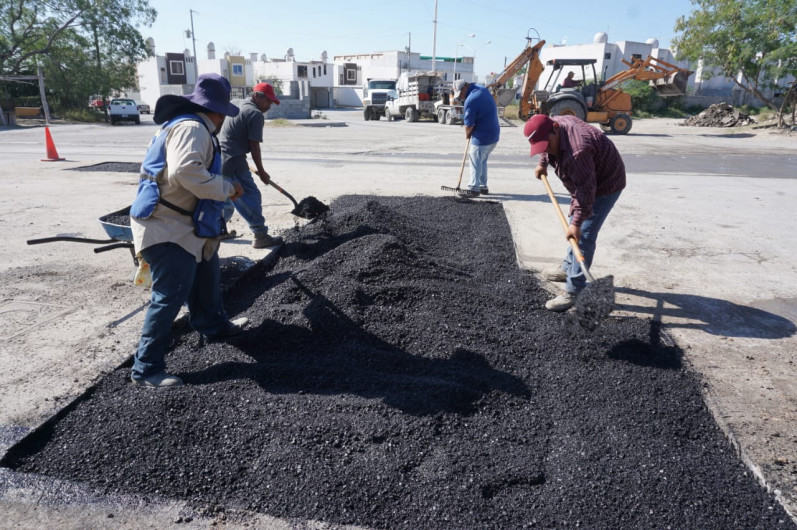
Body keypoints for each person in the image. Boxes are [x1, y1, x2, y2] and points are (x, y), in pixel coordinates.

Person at [129, 73, 248, 388]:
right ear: (219, 112)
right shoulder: (193, 128)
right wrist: (225, 187)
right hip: (165, 225)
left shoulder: (188, 125)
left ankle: (213, 325)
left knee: (207, 271)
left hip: (185, 222)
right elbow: (185, 171)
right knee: (169, 295)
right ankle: (146, 370)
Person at [523, 114, 625, 312]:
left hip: (605, 184)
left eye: (546, 145)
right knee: (574, 226)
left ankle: (574, 289)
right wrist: (543, 162)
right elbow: (546, 143)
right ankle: (568, 268)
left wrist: (577, 223)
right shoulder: (555, 126)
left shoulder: (578, 150)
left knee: (583, 234)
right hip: (585, 180)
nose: (545, 149)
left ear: (555, 128)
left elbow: (585, 191)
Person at [218, 82, 284, 249]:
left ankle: (216, 231)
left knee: (224, 199)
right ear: (257, 96)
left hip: (218, 158)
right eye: (268, 101)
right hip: (233, 161)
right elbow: (254, 146)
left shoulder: (236, 102)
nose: (269, 106)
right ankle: (260, 235)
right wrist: (262, 172)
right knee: (250, 196)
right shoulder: (255, 114)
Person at [452, 79, 500, 195]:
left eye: (461, 94)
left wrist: (467, 133)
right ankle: (483, 186)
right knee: (482, 160)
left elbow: (469, 126)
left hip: (482, 137)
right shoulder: (482, 89)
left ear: (465, 88)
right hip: (494, 134)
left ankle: (474, 188)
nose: (461, 98)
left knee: (474, 160)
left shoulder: (471, 100)